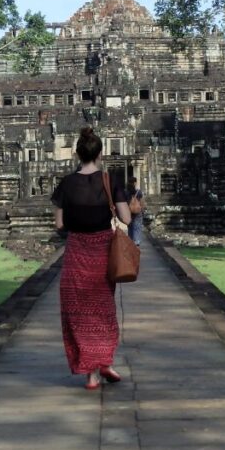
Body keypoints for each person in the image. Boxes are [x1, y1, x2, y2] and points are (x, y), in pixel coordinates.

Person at [51, 126, 132, 390]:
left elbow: (60, 224)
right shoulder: (110, 181)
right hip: (102, 252)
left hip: (76, 252)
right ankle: (105, 361)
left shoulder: (66, 183)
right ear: (100, 153)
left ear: (77, 154)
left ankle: (92, 374)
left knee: (79, 312)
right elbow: (126, 219)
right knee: (104, 310)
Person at [126, 176, 145, 246]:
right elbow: (142, 203)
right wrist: (143, 210)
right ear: (135, 183)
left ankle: (130, 241)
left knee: (130, 226)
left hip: (129, 212)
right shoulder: (139, 192)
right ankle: (136, 242)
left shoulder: (126, 192)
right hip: (137, 212)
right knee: (137, 227)